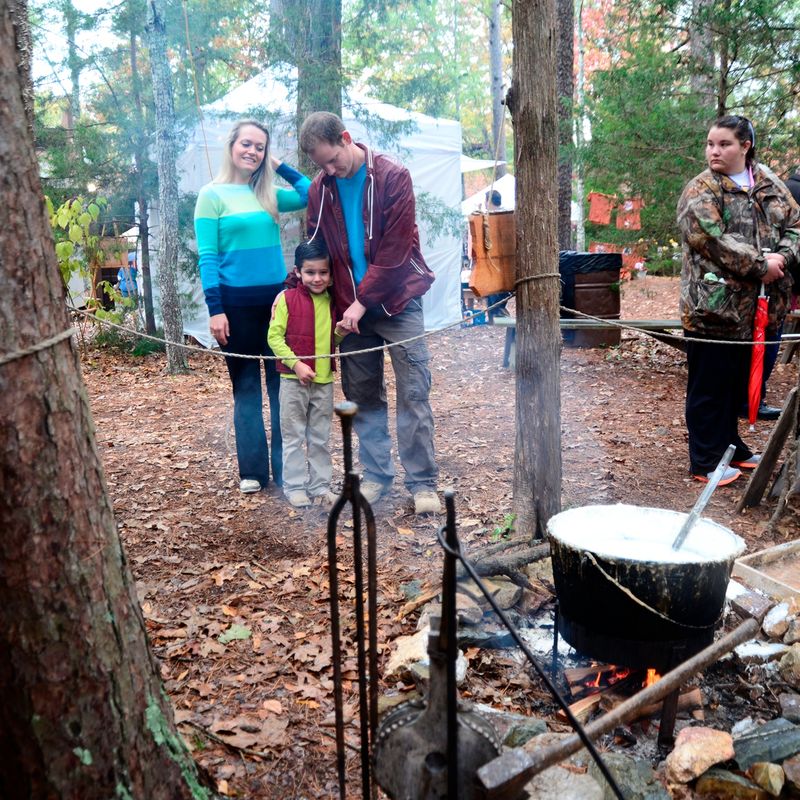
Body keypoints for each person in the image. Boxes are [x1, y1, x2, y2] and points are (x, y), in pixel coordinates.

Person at [298, 111, 441, 515]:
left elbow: (396, 252)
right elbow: (314, 247)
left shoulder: (394, 177)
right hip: (350, 309)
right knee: (362, 395)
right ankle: (377, 476)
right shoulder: (321, 190)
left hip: (398, 302)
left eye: (333, 160)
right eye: (321, 165)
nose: (329, 170)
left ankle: (423, 482)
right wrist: (298, 297)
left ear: (346, 138)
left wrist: (362, 302)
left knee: (413, 391)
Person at [677, 115, 799, 486]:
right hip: (713, 308)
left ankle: (733, 447)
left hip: (760, 311)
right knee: (709, 388)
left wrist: (784, 256)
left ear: (745, 146)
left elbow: (795, 224)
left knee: (738, 383)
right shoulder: (701, 190)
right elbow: (711, 240)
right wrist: (762, 264)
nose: (714, 151)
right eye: (711, 144)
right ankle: (706, 460)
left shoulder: (769, 184)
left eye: (724, 144)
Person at [194, 119, 311, 494]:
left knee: (281, 388)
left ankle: (284, 469)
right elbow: (208, 259)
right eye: (247, 144)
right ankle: (254, 472)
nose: (253, 152)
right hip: (235, 307)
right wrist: (215, 309)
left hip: (277, 304)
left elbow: (310, 192)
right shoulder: (211, 195)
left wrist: (277, 165)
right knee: (245, 388)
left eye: (260, 147)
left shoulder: (269, 193)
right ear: (232, 145)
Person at [267, 239, 341, 509]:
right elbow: (274, 338)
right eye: (310, 272)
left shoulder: (332, 301)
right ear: (297, 272)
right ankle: (295, 486)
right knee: (294, 437)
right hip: (291, 381)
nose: (317, 278)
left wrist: (341, 332)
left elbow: (331, 340)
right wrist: (296, 365)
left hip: (324, 382)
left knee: (320, 438)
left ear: (330, 274)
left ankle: (320, 486)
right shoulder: (286, 300)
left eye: (323, 272)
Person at [484, 189, 512, 319]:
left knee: (497, 288)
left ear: (488, 201)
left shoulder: (498, 216)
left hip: (500, 259)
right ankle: (494, 313)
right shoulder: (506, 214)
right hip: (498, 259)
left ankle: (496, 312)